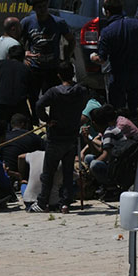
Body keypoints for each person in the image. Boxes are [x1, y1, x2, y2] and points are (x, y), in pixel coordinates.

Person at [30, 62, 89, 213]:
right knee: (68, 172)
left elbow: (38, 106)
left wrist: (47, 119)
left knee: (48, 171)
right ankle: (65, 203)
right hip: (71, 136)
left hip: (55, 136)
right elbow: (84, 103)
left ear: (59, 75)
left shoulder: (53, 92)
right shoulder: (81, 91)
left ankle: (43, 201)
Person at [91, 0, 138, 116]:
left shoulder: (107, 32)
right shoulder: (137, 25)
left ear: (107, 12)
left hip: (118, 78)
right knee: (136, 109)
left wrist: (93, 57)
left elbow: (102, 59)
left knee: (117, 111)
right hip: (137, 76)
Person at [20, 0, 74, 112]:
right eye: (39, 7)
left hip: (52, 67)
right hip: (35, 67)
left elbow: (71, 39)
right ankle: (35, 120)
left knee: (53, 97)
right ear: (34, 8)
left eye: (45, 6)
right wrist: (24, 56)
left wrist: (66, 57)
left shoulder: (58, 22)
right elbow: (17, 41)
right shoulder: (27, 22)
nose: (43, 10)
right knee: (33, 97)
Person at [83, 105, 138, 186]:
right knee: (88, 158)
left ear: (94, 123)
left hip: (119, 167)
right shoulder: (107, 131)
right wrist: (88, 140)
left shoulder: (110, 132)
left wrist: (90, 171)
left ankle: (111, 187)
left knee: (94, 164)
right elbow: (100, 151)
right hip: (114, 162)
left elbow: (106, 155)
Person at [0, 45, 32, 124]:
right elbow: (32, 92)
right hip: (18, 104)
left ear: (8, 55)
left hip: (0, 102)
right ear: (23, 57)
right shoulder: (27, 69)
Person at [0, 113, 43, 179]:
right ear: (23, 124)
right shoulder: (33, 137)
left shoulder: (3, 138)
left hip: (6, 173)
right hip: (25, 176)